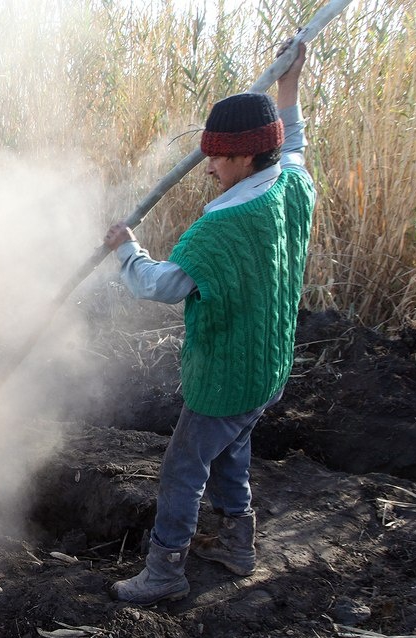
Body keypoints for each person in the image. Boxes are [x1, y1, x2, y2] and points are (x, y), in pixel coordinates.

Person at [102, 42, 314, 605]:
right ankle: (239, 547)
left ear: (245, 157)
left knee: (181, 469)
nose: (209, 165)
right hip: (268, 367)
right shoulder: (292, 186)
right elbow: (294, 140)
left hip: (225, 374)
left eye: (218, 156)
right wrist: (289, 84)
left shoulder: (223, 224)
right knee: (232, 448)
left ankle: (166, 571)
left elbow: (160, 285)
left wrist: (127, 249)